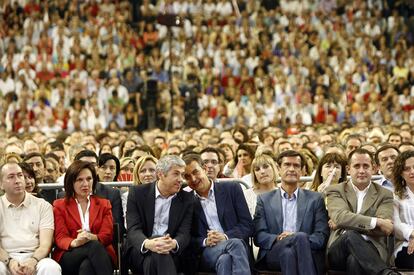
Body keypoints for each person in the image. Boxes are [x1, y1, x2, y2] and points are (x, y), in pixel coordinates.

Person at [254, 150, 329, 275]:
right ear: (278, 169)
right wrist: (278, 238)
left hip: (307, 251)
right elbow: (259, 235)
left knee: (290, 252)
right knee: (298, 238)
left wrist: (296, 239)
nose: (291, 169)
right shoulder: (264, 199)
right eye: (287, 165)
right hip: (274, 252)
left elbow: (321, 236)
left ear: (303, 170)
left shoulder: (315, 199)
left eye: (296, 165)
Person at [326, 148, 397, 275]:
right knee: (349, 235)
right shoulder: (335, 190)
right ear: (348, 169)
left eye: (366, 166)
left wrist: (345, 223)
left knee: (354, 260)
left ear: (374, 168)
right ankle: (385, 273)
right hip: (338, 249)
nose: (361, 171)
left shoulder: (385, 194)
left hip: (372, 247)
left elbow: (384, 229)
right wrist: (377, 221)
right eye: (357, 166)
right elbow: (340, 217)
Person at [183, 153, 253, 275]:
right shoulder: (185, 201)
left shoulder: (232, 188)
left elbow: (247, 225)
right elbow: (186, 238)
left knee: (225, 260)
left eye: (196, 172)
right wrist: (206, 241)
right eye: (187, 176)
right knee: (235, 244)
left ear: (204, 168)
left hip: (237, 249)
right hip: (207, 252)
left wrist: (225, 236)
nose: (193, 179)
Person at [124, 155, 194, 275]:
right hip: (141, 249)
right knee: (159, 254)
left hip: (171, 251)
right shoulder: (137, 193)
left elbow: (185, 232)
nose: (181, 179)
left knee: (159, 255)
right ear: (161, 174)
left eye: (182, 175)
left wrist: (173, 243)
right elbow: (133, 229)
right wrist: (149, 244)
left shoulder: (187, 198)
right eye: (176, 174)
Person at [53, 161, 116, 275]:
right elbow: (60, 237)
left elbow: (107, 235)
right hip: (70, 253)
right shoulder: (60, 205)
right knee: (93, 246)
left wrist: (91, 237)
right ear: (71, 182)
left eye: (89, 179)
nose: (85, 184)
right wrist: (76, 242)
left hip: (100, 255)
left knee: (87, 266)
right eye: (80, 180)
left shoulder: (104, 204)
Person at [0, 162, 62, 275]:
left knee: (51, 267)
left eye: (20, 175)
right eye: (11, 177)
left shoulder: (43, 205)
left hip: (36, 256)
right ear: (1, 184)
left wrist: (33, 261)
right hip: (5, 257)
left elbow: (45, 244)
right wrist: (9, 261)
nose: (17, 180)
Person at [391, 150, 414, 269]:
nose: (412, 172)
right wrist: (412, 234)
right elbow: (396, 224)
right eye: (407, 169)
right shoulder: (395, 195)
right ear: (400, 173)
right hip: (405, 245)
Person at [121, 155, 158, 226]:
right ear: (137, 175)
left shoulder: (166, 194)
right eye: (143, 171)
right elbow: (128, 224)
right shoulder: (127, 196)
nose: (148, 174)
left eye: (152, 170)